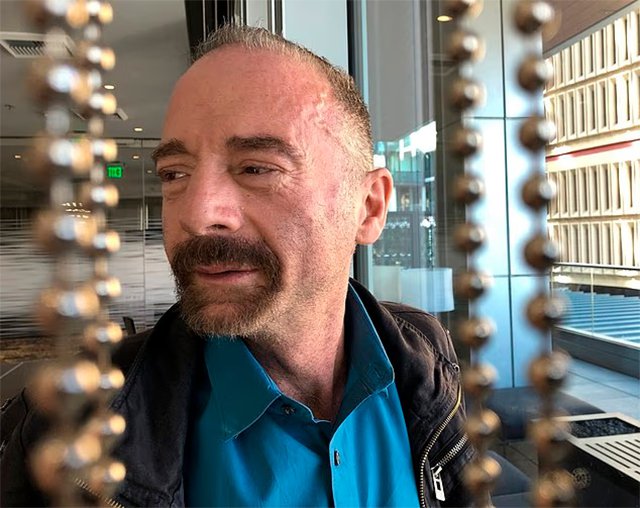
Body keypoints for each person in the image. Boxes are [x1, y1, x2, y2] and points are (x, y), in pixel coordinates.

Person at [1, 25, 472, 507]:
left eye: (256, 168)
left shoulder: (423, 353)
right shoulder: (65, 431)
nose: (197, 214)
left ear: (368, 207)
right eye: (175, 174)